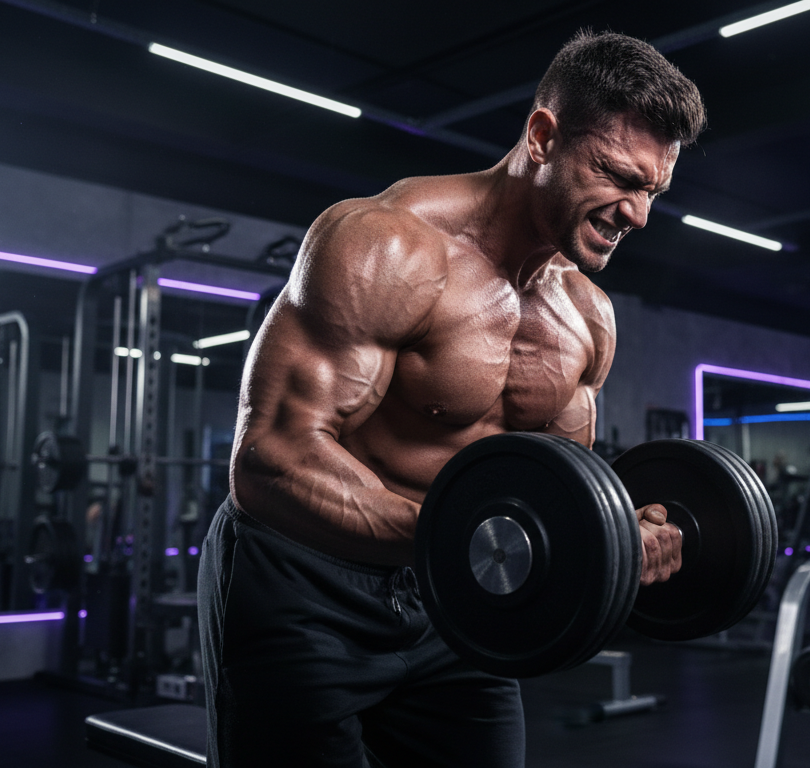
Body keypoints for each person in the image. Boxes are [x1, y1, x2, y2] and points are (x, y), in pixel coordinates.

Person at [198, 30, 706, 768]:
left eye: (651, 191)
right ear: (543, 136)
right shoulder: (386, 247)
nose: (637, 214)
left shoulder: (589, 317)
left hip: (454, 606)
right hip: (305, 589)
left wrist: (617, 532)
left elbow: (547, 490)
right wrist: (467, 540)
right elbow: (271, 461)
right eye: (617, 176)